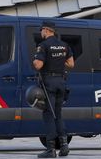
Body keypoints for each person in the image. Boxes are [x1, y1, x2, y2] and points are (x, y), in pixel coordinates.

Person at [32, 20, 75, 158]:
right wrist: (58, 61)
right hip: (61, 82)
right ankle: (64, 146)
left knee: (49, 115)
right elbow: (71, 64)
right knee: (58, 114)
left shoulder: (43, 46)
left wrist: (34, 60)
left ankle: (50, 149)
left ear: (46, 30)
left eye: (41, 30)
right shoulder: (64, 45)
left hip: (49, 83)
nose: (41, 32)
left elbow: (38, 65)